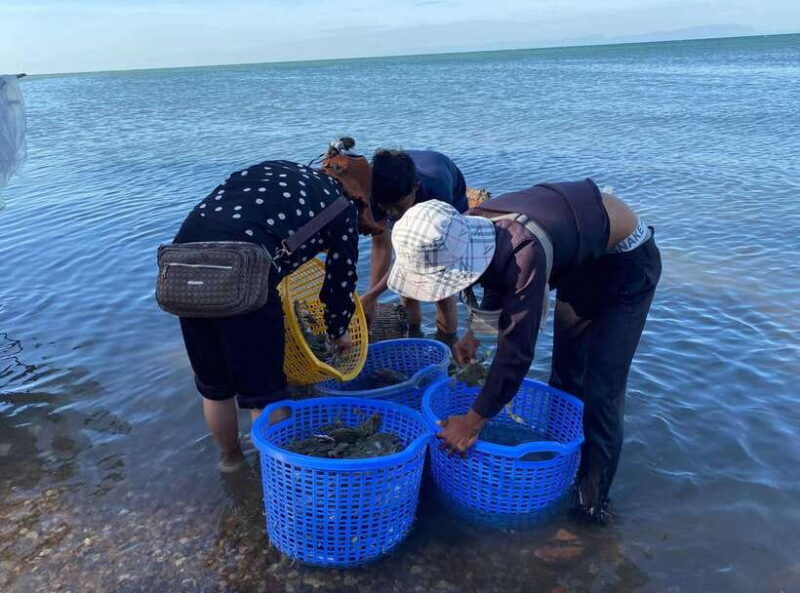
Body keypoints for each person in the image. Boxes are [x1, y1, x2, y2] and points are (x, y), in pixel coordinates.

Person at [387, 180, 661, 522]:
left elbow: (517, 352)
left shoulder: (525, 250)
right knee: (565, 375)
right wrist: (476, 333)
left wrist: (472, 423)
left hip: (626, 263)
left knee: (602, 390)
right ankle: (563, 468)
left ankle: (590, 512)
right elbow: (493, 272)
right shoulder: (468, 228)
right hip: (579, 260)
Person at [172, 145, 379, 472]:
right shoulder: (341, 208)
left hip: (183, 263)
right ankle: (279, 474)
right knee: (265, 392)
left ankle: (231, 463)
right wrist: (338, 332)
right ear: (357, 193)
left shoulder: (277, 169)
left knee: (215, 385)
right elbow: (340, 280)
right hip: (244, 269)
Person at [361, 149, 467, 344]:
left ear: (416, 187)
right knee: (407, 288)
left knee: (440, 289)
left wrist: (373, 293)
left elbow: (413, 261)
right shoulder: (378, 192)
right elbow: (382, 247)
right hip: (406, 183)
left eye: (399, 207)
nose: (393, 214)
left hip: (449, 189)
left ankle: (448, 343)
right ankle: (414, 335)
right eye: (387, 207)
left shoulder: (436, 196)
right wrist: (372, 297)